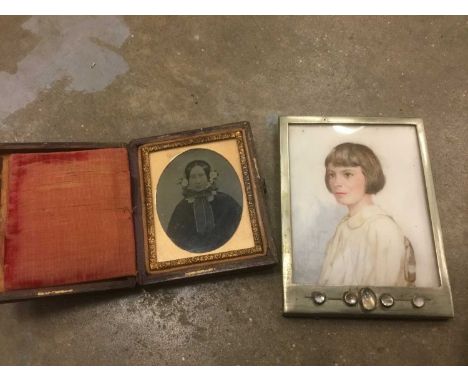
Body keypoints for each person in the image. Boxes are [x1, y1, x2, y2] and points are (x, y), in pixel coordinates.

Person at [318, 143, 416, 287]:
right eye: (332, 175)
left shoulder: (382, 228)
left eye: (347, 174)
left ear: (369, 175)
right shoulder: (344, 227)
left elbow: (381, 294)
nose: (337, 183)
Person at [166, 160, 242, 253]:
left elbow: (239, 228)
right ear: (187, 180)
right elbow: (175, 238)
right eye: (193, 177)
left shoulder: (226, 201)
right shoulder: (182, 208)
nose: (198, 181)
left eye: (201, 175)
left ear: (208, 177)